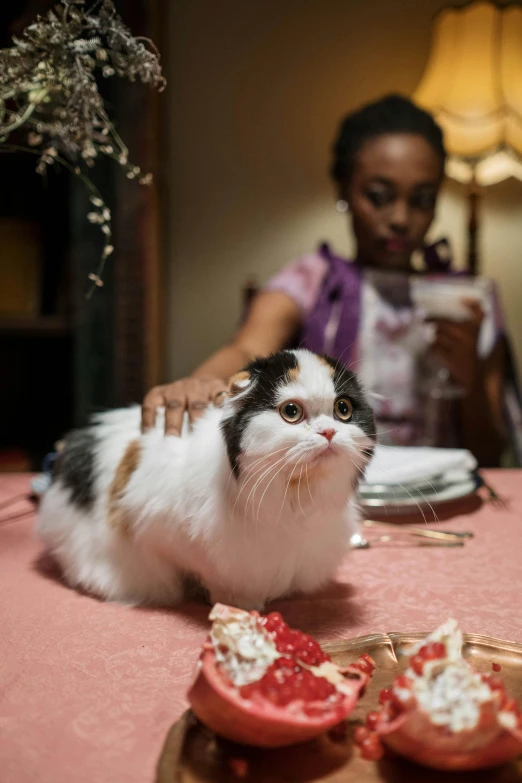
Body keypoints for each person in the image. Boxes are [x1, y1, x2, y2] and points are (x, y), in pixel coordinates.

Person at [142, 95, 516, 467]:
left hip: (439, 495)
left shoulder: (467, 300)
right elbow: (246, 350)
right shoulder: (315, 281)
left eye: (422, 199)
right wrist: (202, 382)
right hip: (323, 491)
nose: (401, 218)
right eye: (379, 196)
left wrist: (471, 375)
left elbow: (488, 452)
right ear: (343, 189)